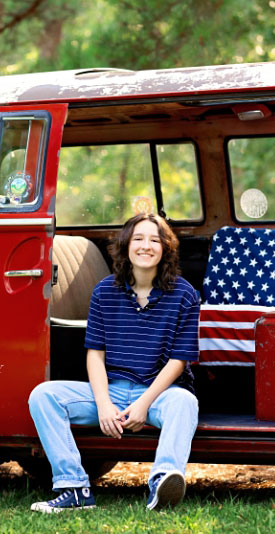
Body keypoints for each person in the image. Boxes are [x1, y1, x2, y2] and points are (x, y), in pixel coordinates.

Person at [28, 213, 200, 512]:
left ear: (165, 249)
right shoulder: (104, 291)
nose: (146, 246)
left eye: (155, 240)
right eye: (139, 239)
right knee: (43, 395)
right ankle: (74, 488)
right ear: (126, 246)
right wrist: (104, 402)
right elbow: (95, 354)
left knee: (185, 402)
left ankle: (162, 483)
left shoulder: (184, 294)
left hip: (159, 395)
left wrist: (145, 403)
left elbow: (179, 360)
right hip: (113, 391)